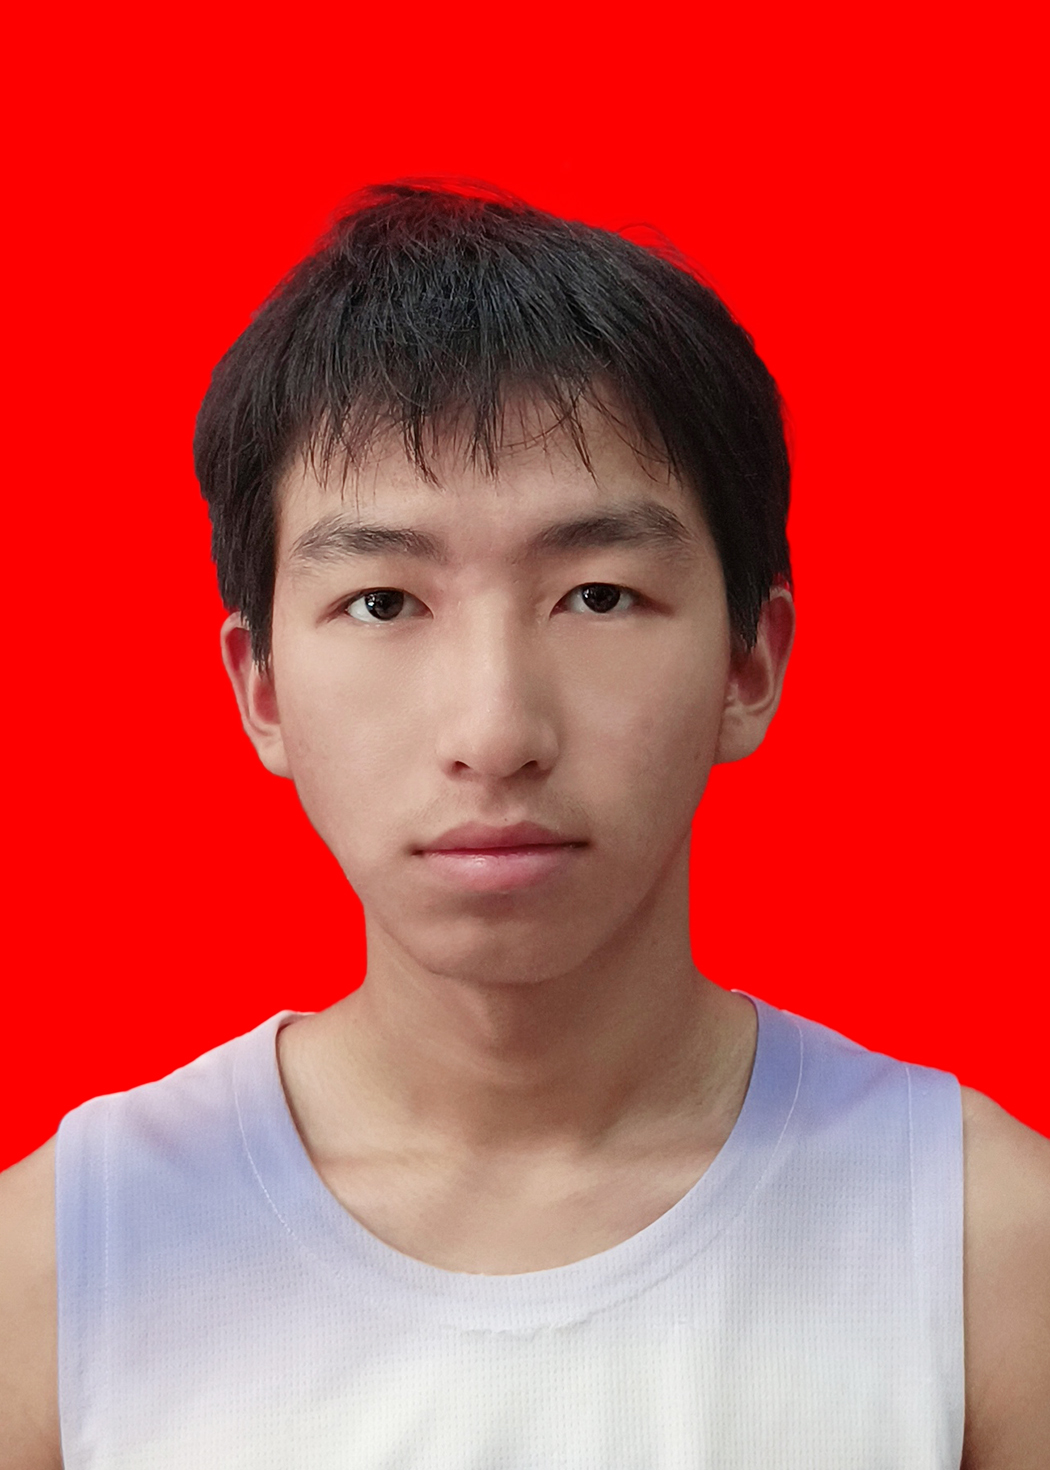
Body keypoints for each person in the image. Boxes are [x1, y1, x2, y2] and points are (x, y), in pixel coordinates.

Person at [1, 181, 1047, 1470]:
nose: (495, 732)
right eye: (384, 602)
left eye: (597, 595)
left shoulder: (987, 1248)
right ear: (260, 689)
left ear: (750, 661)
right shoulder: (61, 1267)